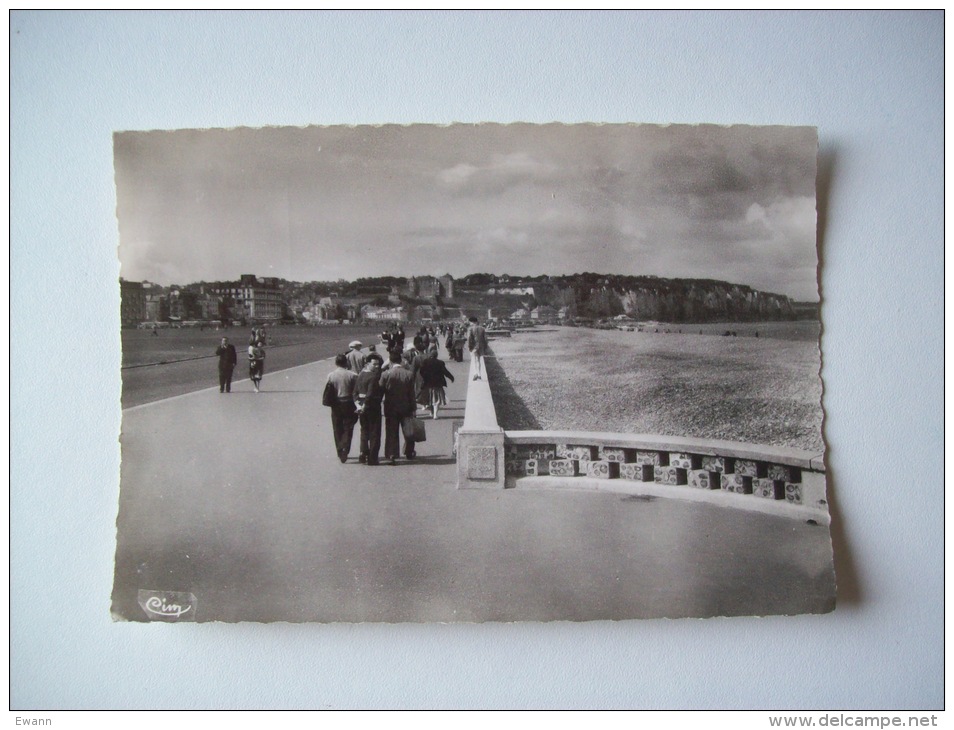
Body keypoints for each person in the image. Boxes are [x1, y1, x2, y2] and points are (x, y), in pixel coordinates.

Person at [379, 350, 417, 465]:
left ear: (390, 361)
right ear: (401, 361)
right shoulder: (409, 374)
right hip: (406, 406)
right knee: (408, 430)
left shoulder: (386, 374)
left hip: (390, 406)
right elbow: (412, 393)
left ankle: (391, 454)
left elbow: (381, 390)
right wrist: (414, 408)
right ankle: (409, 451)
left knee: (391, 431)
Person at [325, 353, 358, 463]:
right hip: (349, 403)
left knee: (337, 427)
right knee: (348, 427)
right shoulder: (352, 375)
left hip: (336, 404)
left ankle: (340, 448)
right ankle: (345, 447)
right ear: (346, 362)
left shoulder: (331, 375)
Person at [353, 352, 383, 465]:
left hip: (360, 405)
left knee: (364, 430)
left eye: (378, 364)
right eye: (374, 364)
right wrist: (365, 405)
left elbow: (355, 392)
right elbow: (370, 394)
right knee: (375, 432)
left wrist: (358, 405)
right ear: (367, 364)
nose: (377, 366)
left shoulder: (360, 375)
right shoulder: (373, 377)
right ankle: (372, 458)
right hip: (372, 406)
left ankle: (363, 452)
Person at [419, 349, 455, 419]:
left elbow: (421, 371)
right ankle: (435, 414)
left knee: (429, 399)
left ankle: (431, 412)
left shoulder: (425, 362)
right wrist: (451, 377)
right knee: (437, 400)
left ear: (430, 355)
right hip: (438, 384)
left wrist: (425, 377)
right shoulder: (440, 363)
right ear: (436, 355)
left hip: (428, 384)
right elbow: (445, 372)